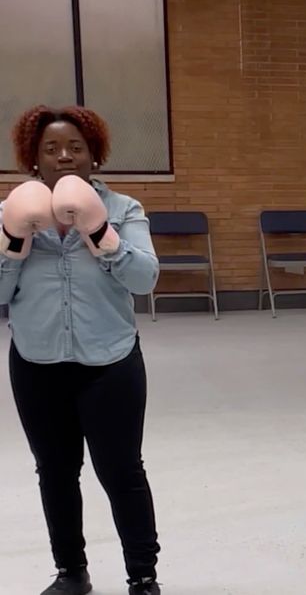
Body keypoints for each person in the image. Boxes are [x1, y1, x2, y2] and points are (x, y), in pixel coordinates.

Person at [1, 105, 163, 594]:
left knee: (122, 471)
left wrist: (100, 232)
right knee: (55, 472)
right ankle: (71, 572)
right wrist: (13, 241)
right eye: (51, 149)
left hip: (109, 362)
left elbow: (145, 279)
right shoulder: (10, 213)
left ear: (94, 155)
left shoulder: (124, 209)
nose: (64, 156)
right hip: (37, 363)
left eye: (76, 147)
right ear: (34, 159)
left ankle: (143, 577)